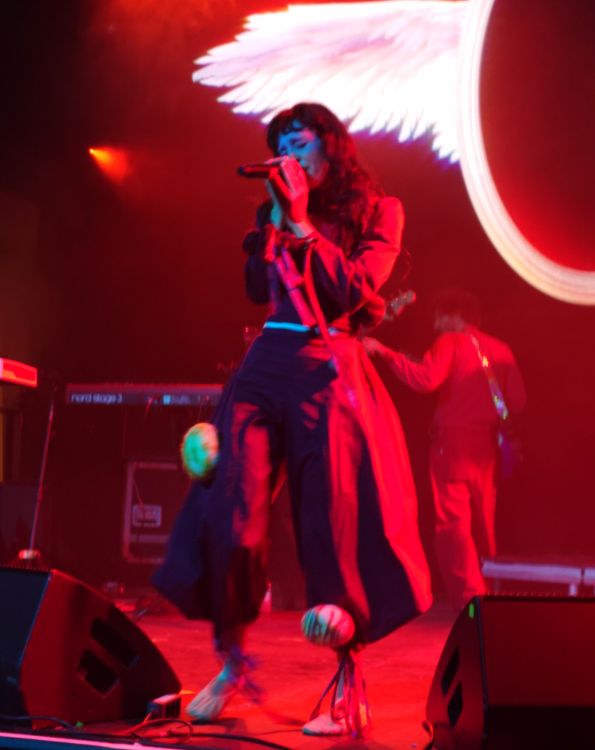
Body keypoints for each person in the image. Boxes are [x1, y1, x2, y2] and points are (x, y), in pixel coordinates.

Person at [152, 102, 431, 737]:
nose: (291, 156)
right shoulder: (272, 210)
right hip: (265, 360)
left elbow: (357, 289)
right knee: (232, 508)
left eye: (300, 143)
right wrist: (278, 219)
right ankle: (232, 662)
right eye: (281, 145)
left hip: (328, 361)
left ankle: (346, 681)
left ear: (332, 148)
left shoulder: (382, 211)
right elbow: (257, 288)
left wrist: (303, 221)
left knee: (332, 518)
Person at [364, 289, 526, 607]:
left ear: (455, 315)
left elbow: (425, 380)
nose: (436, 325)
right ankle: (489, 590)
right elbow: (517, 402)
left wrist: (383, 352)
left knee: (453, 522)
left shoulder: (449, 342)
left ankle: (470, 599)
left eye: (440, 317)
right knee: (483, 521)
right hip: (486, 447)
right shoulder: (501, 349)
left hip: (452, 445)